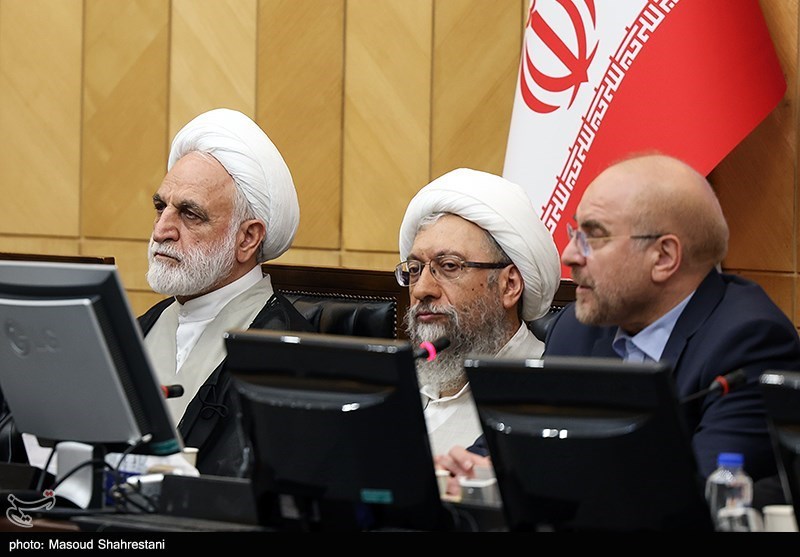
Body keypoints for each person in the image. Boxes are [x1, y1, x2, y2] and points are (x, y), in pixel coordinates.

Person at [437, 153, 800, 498]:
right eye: (574, 233)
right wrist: (472, 467)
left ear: (663, 257)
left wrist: (528, 479)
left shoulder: (750, 342)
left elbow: (703, 493)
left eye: (593, 237)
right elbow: (514, 433)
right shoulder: (577, 329)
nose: (569, 255)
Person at [138, 108, 314, 477]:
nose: (161, 231)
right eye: (161, 207)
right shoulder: (137, 330)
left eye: (190, 214)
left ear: (247, 238)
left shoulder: (291, 359)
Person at [397, 168, 561, 456]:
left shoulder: (547, 394)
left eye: (449, 266)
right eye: (414, 269)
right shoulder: (397, 383)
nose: (421, 289)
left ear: (509, 285)